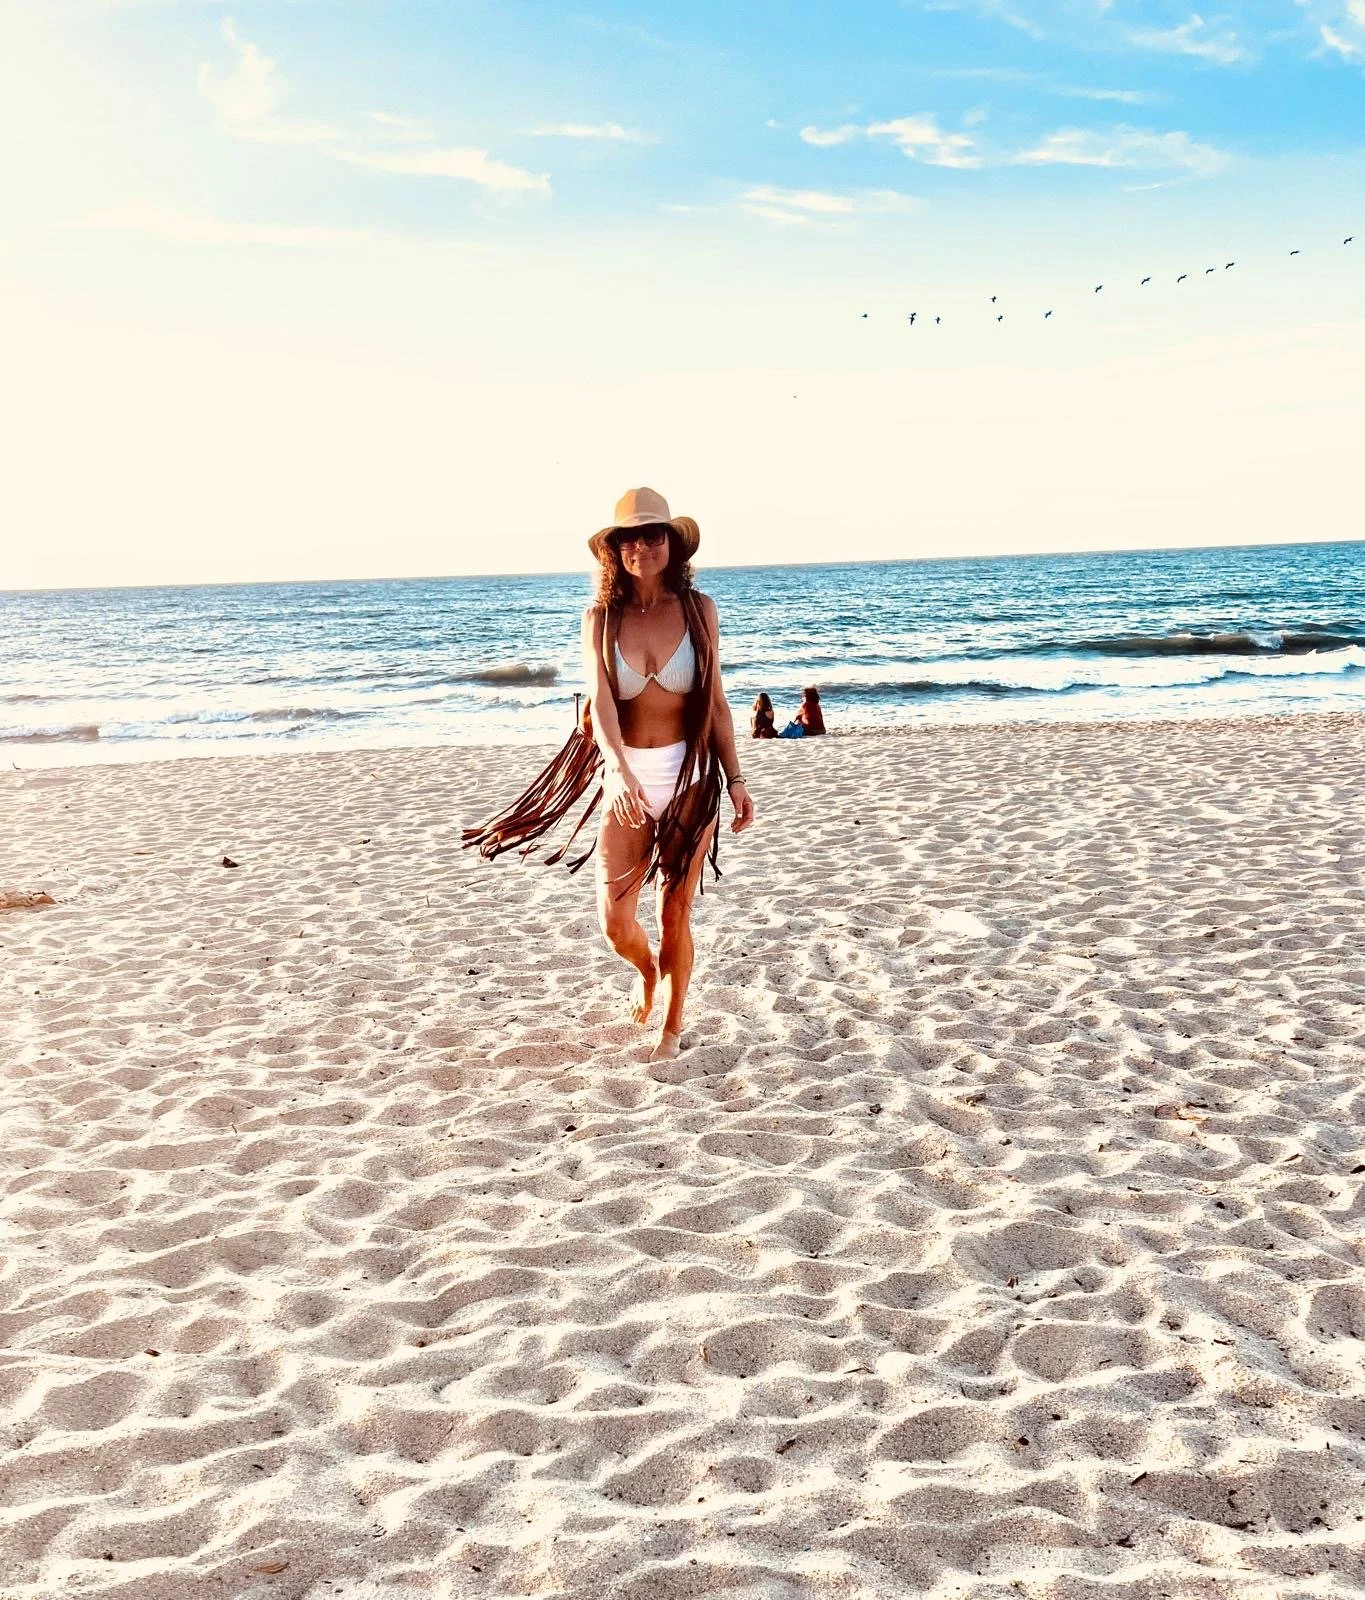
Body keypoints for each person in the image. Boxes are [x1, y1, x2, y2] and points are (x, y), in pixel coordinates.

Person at [464, 487, 754, 1061]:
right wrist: (619, 772)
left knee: (675, 909)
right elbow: (600, 702)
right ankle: (647, 972)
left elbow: (717, 702)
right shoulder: (600, 619)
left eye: (654, 534)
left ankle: (671, 1029)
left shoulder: (700, 610)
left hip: (691, 776)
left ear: (672, 543)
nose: (643, 546)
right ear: (615, 550)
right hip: (627, 778)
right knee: (616, 923)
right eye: (630, 538)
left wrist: (736, 779)